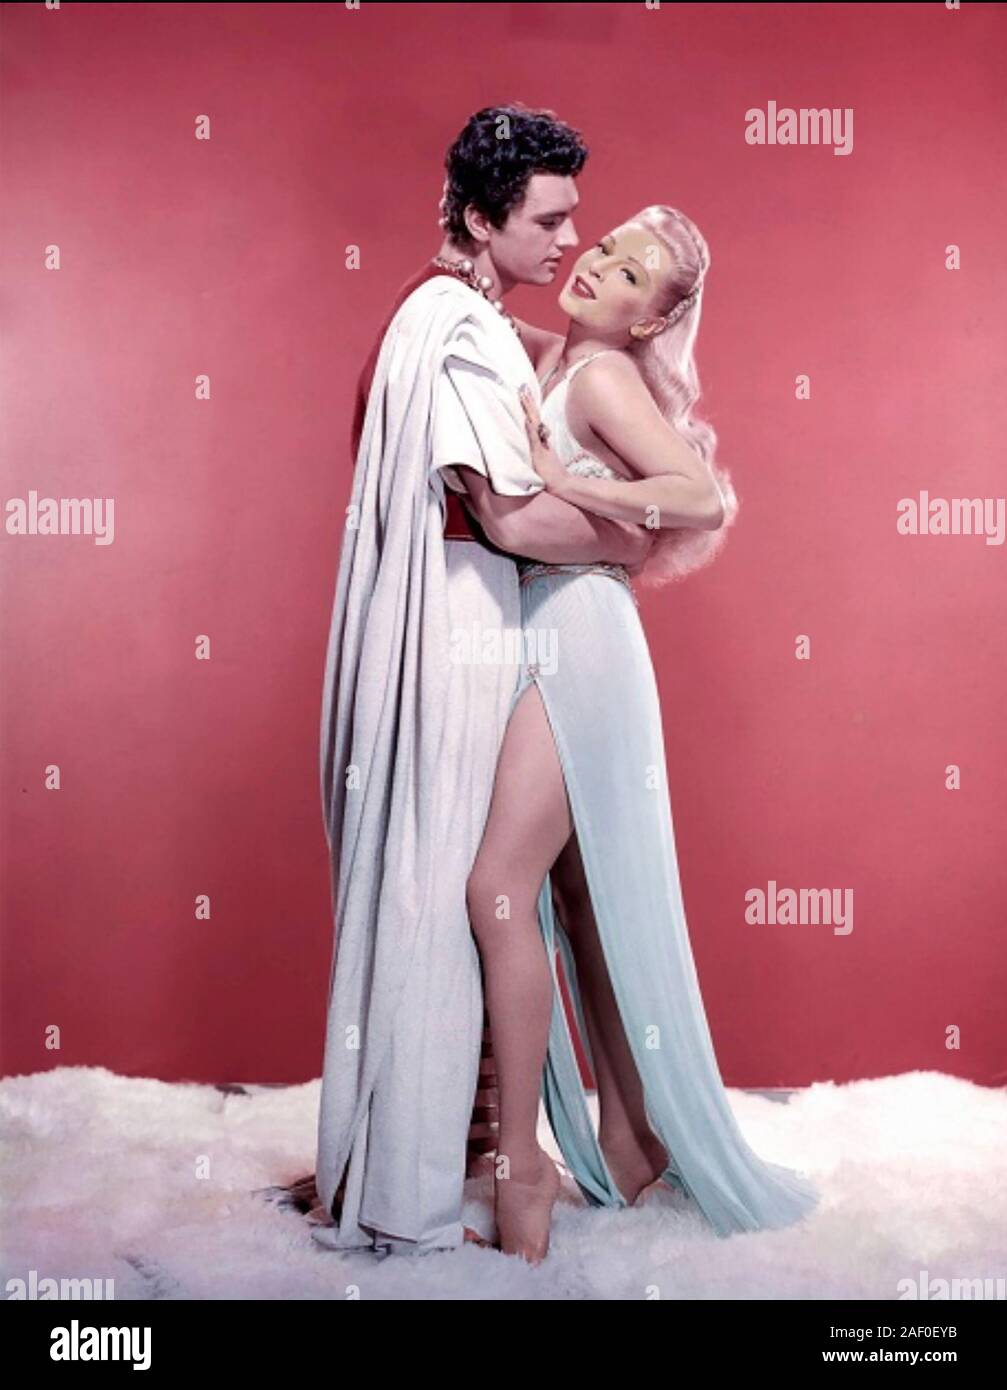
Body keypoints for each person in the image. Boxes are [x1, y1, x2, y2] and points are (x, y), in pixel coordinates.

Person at [297, 106, 655, 1257]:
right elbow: (509, 515)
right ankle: (437, 1169)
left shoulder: (463, 316)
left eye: (573, 217)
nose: (569, 239)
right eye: (548, 220)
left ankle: (535, 1142)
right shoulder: (454, 327)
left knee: (527, 881)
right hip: (455, 630)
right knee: (459, 881)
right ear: (477, 218)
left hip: (469, 623)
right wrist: (630, 541)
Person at [466, 204, 820, 1263]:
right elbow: (483, 324)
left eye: (629, 275)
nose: (598, 266)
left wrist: (566, 482)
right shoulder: (560, 355)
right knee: (581, 900)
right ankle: (628, 1144)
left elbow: (699, 498)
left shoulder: (603, 378)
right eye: (605, 247)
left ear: (651, 319)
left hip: (580, 634)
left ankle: (521, 1166)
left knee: (497, 888)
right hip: (556, 625)